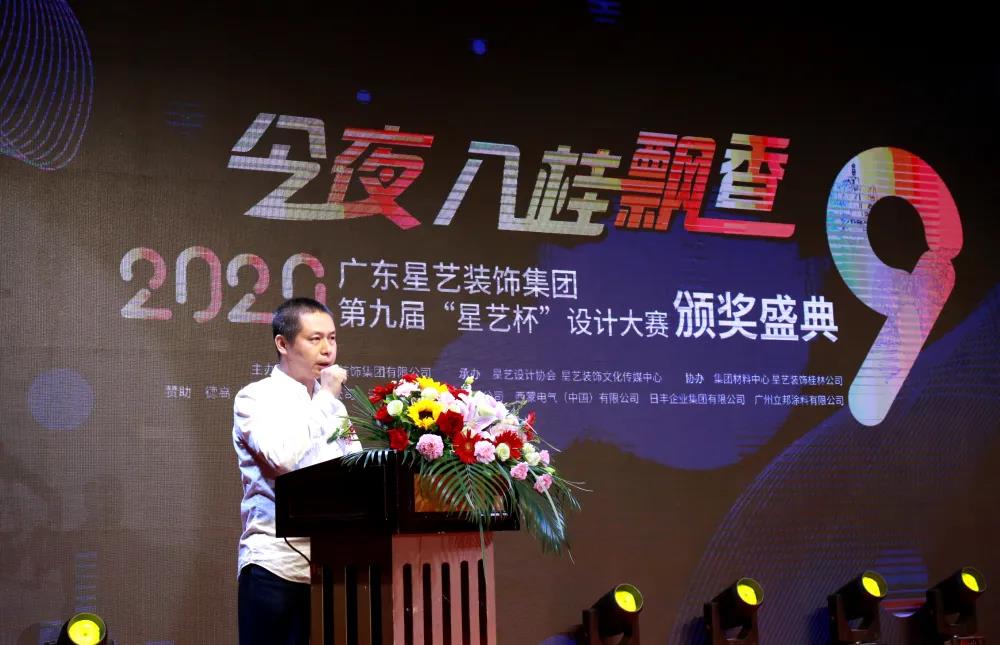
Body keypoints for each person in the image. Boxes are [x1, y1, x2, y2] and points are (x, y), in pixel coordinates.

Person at [233, 297, 360, 644]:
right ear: (283, 343)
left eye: (332, 338)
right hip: (275, 568)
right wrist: (326, 400)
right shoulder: (255, 399)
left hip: (331, 570)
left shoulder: (332, 407)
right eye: (315, 339)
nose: (327, 350)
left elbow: (356, 467)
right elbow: (282, 460)